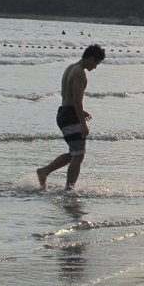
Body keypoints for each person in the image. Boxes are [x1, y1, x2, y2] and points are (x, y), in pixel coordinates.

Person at [36, 44, 106, 190]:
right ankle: (69, 189)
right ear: (91, 58)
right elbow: (76, 100)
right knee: (79, 155)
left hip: (63, 112)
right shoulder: (80, 73)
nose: (96, 67)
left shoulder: (70, 68)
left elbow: (68, 96)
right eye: (97, 63)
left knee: (74, 153)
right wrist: (83, 123)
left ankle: (44, 171)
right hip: (70, 115)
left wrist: (80, 111)